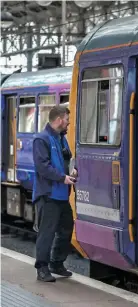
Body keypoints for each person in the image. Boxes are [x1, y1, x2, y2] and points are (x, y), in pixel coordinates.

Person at [32, 105, 77, 282]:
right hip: (48, 195)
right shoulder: (41, 140)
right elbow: (42, 167)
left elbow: (69, 160)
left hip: (62, 195)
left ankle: (56, 263)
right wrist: (62, 178)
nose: (68, 123)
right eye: (67, 119)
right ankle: (42, 268)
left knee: (66, 228)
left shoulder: (61, 139)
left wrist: (73, 171)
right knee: (47, 233)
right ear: (58, 119)